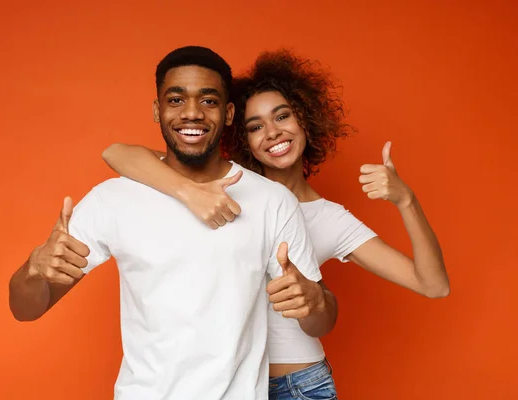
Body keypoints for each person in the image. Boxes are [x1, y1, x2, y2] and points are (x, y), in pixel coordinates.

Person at [102, 49, 450, 400]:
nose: (271, 133)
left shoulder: (330, 218)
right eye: (255, 126)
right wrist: (186, 191)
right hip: (220, 386)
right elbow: (117, 153)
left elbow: (432, 285)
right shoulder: (217, 193)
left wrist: (407, 201)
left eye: (282, 117)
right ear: (240, 135)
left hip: (298, 384)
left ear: (306, 121)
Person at [8, 46, 338, 400]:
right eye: (176, 100)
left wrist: (316, 300)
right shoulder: (113, 200)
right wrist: (34, 268)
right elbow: (27, 308)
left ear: (228, 114)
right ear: (157, 110)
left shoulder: (272, 201)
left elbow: (321, 321)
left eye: (208, 101)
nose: (192, 113)